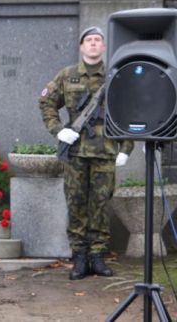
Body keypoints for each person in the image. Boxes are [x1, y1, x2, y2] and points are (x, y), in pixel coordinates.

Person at [39, 26, 134, 280]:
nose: (93, 44)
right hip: (76, 154)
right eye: (88, 40)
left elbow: (128, 111)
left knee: (101, 206)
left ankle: (98, 256)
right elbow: (46, 102)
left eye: (97, 40)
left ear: (103, 47)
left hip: (105, 152)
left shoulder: (115, 76)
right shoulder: (67, 75)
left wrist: (126, 147)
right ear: (81, 46)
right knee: (77, 204)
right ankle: (79, 257)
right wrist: (58, 130)